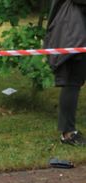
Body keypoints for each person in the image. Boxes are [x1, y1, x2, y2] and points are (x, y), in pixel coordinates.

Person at [44, 0, 86, 146]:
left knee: (74, 80)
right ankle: (68, 133)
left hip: (77, 28)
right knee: (72, 81)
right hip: (73, 31)